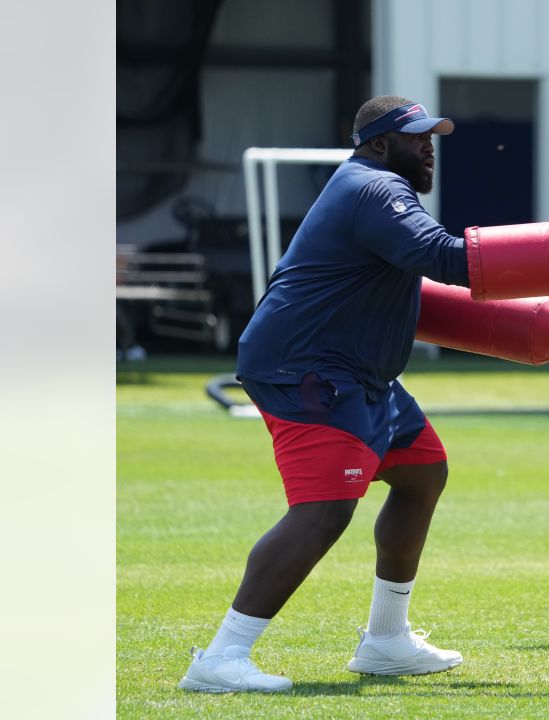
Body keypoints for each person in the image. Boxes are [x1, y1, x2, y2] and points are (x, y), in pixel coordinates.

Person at [178, 96, 471, 692]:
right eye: (417, 138)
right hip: (308, 370)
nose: (429, 147)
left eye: (432, 137)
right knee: (324, 509)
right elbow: (441, 255)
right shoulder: (375, 188)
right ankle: (221, 657)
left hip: (363, 376)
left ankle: (386, 640)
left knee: (423, 473)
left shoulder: (371, 187)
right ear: (380, 144)